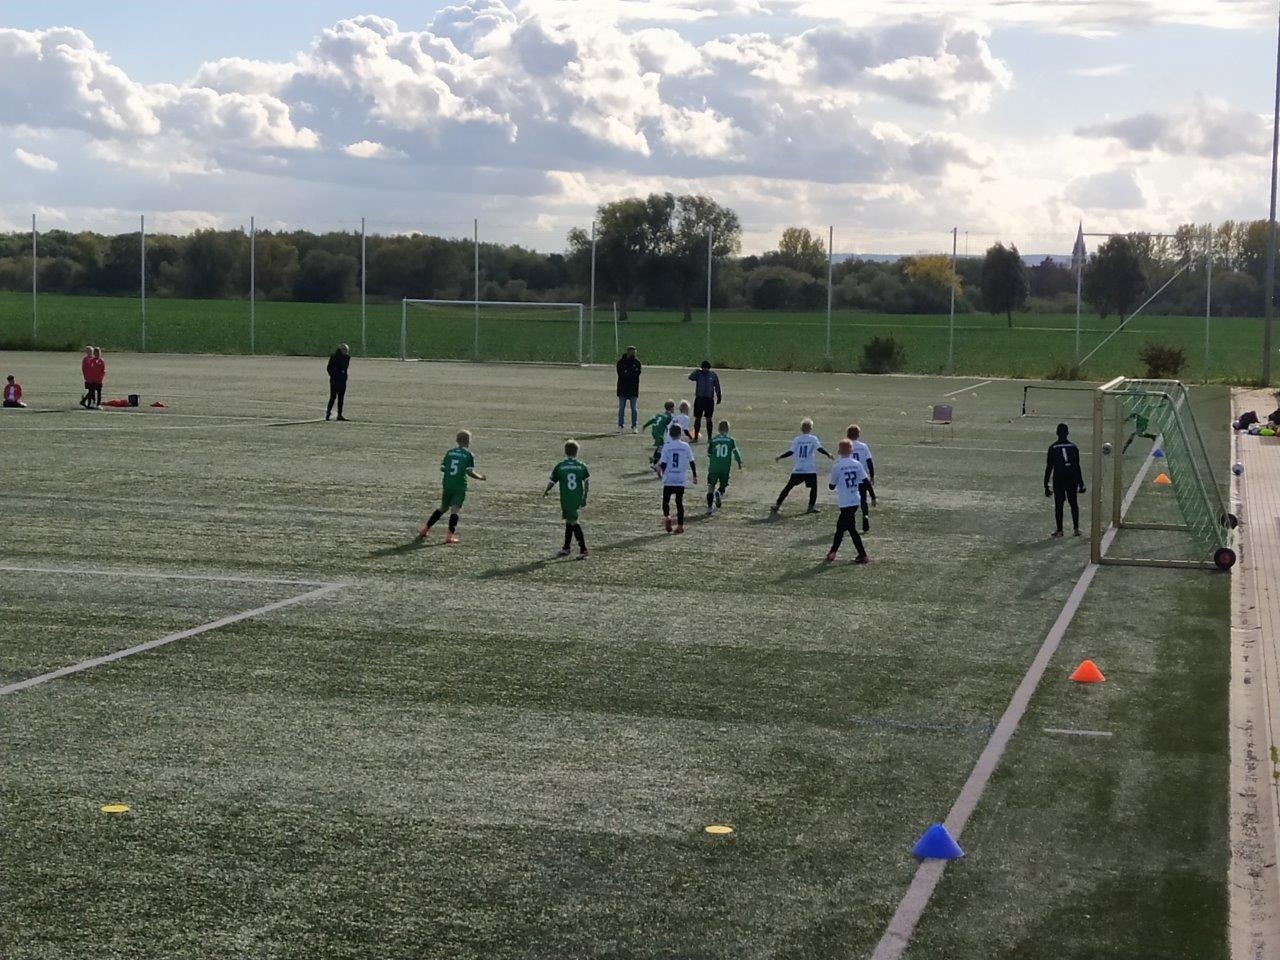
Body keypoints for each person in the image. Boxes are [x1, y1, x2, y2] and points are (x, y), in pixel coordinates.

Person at [419, 430, 486, 545]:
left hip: (447, 484)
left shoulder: (449, 452)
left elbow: (442, 468)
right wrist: (480, 477)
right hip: (459, 486)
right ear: (469, 441)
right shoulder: (468, 455)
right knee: (454, 510)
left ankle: (425, 529)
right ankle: (449, 536)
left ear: (457, 440)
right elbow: (469, 471)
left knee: (443, 508)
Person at [771, 419, 832, 515]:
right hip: (809, 469)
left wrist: (780, 456)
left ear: (801, 429)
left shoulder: (797, 439)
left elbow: (791, 452)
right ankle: (811, 507)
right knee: (814, 488)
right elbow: (819, 448)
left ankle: (777, 505)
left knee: (788, 487)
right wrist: (828, 454)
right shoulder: (813, 439)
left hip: (798, 469)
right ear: (811, 428)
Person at [827, 439, 870, 565]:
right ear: (851, 451)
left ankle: (863, 555)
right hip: (855, 499)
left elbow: (831, 486)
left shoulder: (837, 465)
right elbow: (865, 480)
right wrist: (872, 496)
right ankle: (832, 552)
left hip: (844, 501)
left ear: (839, 451)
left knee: (849, 528)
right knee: (841, 527)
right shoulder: (857, 464)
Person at [545, 440, 590, 558]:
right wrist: (585, 496)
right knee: (569, 521)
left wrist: (547, 490)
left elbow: (552, 481)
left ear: (565, 452)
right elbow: (586, 482)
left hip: (566, 498)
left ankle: (583, 549)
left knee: (573, 521)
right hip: (577, 497)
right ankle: (566, 547)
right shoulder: (581, 466)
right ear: (577, 452)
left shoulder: (560, 466)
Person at [1044, 422, 1086, 539]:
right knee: (1073, 503)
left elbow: (1049, 467)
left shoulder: (1053, 448)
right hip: (1071, 477)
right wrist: (1081, 483)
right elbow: (1077, 466)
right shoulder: (1073, 447)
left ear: (1057, 433)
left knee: (1059, 504)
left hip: (1059, 477)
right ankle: (1076, 529)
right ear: (1067, 433)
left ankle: (1060, 530)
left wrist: (1046, 485)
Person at [657, 422, 697, 534]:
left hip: (669, 478)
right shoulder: (685, 446)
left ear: (670, 434)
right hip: (680, 478)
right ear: (680, 434)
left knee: (665, 501)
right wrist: (694, 475)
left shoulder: (667, 446)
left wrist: (660, 471)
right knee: (679, 502)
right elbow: (692, 461)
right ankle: (680, 526)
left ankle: (667, 517)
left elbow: (663, 463)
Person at [705, 420, 743, 516]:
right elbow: (736, 452)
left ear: (718, 429)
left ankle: (709, 507)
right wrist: (739, 462)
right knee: (723, 485)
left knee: (711, 486)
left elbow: (709, 454)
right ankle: (719, 493)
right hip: (725, 467)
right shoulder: (730, 440)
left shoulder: (713, 440)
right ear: (728, 429)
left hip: (714, 467)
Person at [846, 424, 877, 533]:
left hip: (850, 478)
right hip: (862, 476)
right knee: (863, 499)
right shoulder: (863, 446)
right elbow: (869, 461)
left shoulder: (846, 446)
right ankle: (865, 516)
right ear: (858, 434)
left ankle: (850, 521)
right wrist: (872, 476)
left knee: (850, 500)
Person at [688, 360, 722, 442]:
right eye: (703, 368)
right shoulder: (698, 374)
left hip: (709, 400)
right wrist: (696, 371)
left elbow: (717, 386)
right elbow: (691, 377)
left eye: (706, 368)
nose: (705, 370)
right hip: (699, 399)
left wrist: (719, 396)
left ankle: (709, 438)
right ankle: (695, 437)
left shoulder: (713, 375)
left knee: (709, 418)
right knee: (697, 418)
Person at [616, 346, 642, 434]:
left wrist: (628, 372)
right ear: (628, 352)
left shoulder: (637, 363)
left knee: (634, 409)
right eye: (632, 352)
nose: (634, 354)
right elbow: (621, 374)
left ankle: (634, 426)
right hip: (623, 388)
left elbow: (637, 374)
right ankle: (620, 426)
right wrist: (630, 372)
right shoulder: (620, 362)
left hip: (633, 388)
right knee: (621, 408)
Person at [643, 400, 676, 467]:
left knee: (660, 447)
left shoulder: (659, 415)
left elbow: (652, 420)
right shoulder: (669, 417)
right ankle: (655, 463)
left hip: (654, 432)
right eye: (673, 408)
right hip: (659, 434)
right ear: (671, 408)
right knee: (662, 448)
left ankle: (654, 459)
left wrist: (645, 425)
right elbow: (672, 426)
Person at [326, 344, 350, 421]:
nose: (345, 352)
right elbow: (329, 368)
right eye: (344, 350)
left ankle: (339, 414)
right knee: (333, 397)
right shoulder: (334, 357)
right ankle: (328, 413)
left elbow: (345, 369)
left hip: (342, 381)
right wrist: (334, 376)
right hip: (335, 380)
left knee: (341, 398)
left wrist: (344, 377)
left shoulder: (347, 358)